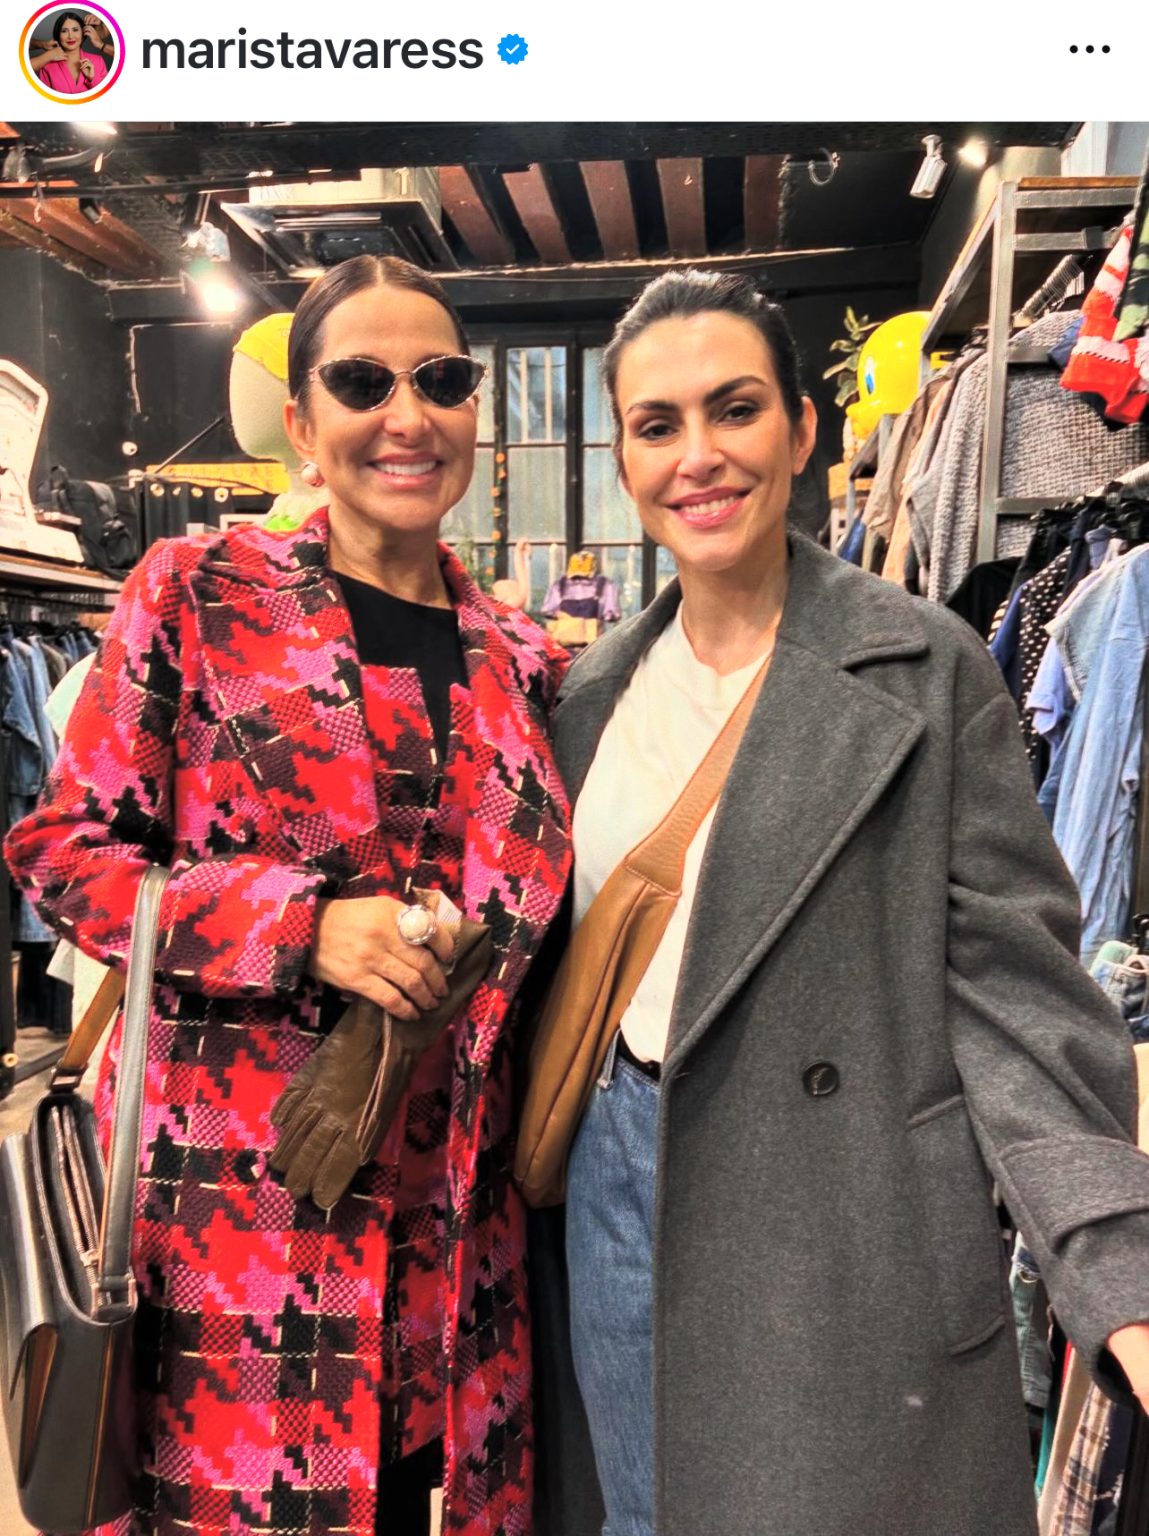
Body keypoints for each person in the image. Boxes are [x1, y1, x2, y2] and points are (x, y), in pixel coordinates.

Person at [528, 268, 1149, 1536]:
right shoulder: (586, 697)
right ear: (626, 461)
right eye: (656, 425)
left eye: (734, 408)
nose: (699, 456)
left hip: (848, 1215)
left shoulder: (926, 666)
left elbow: (1019, 995)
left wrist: (1115, 1262)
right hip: (622, 1187)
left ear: (802, 428)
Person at [4, 254, 571, 1536]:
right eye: (362, 381)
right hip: (238, 1236)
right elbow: (64, 854)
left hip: (455, 1242)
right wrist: (299, 925)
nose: (406, 414)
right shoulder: (197, 596)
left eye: (441, 379)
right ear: (305, 421)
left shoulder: (525, 659)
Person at [30, 11, 109, 93]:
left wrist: (93, 79)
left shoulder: (98, 61)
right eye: (64, 31)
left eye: (75, 30)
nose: (70, 36)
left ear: (83, 33)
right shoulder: (47, 66)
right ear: (58, 35)